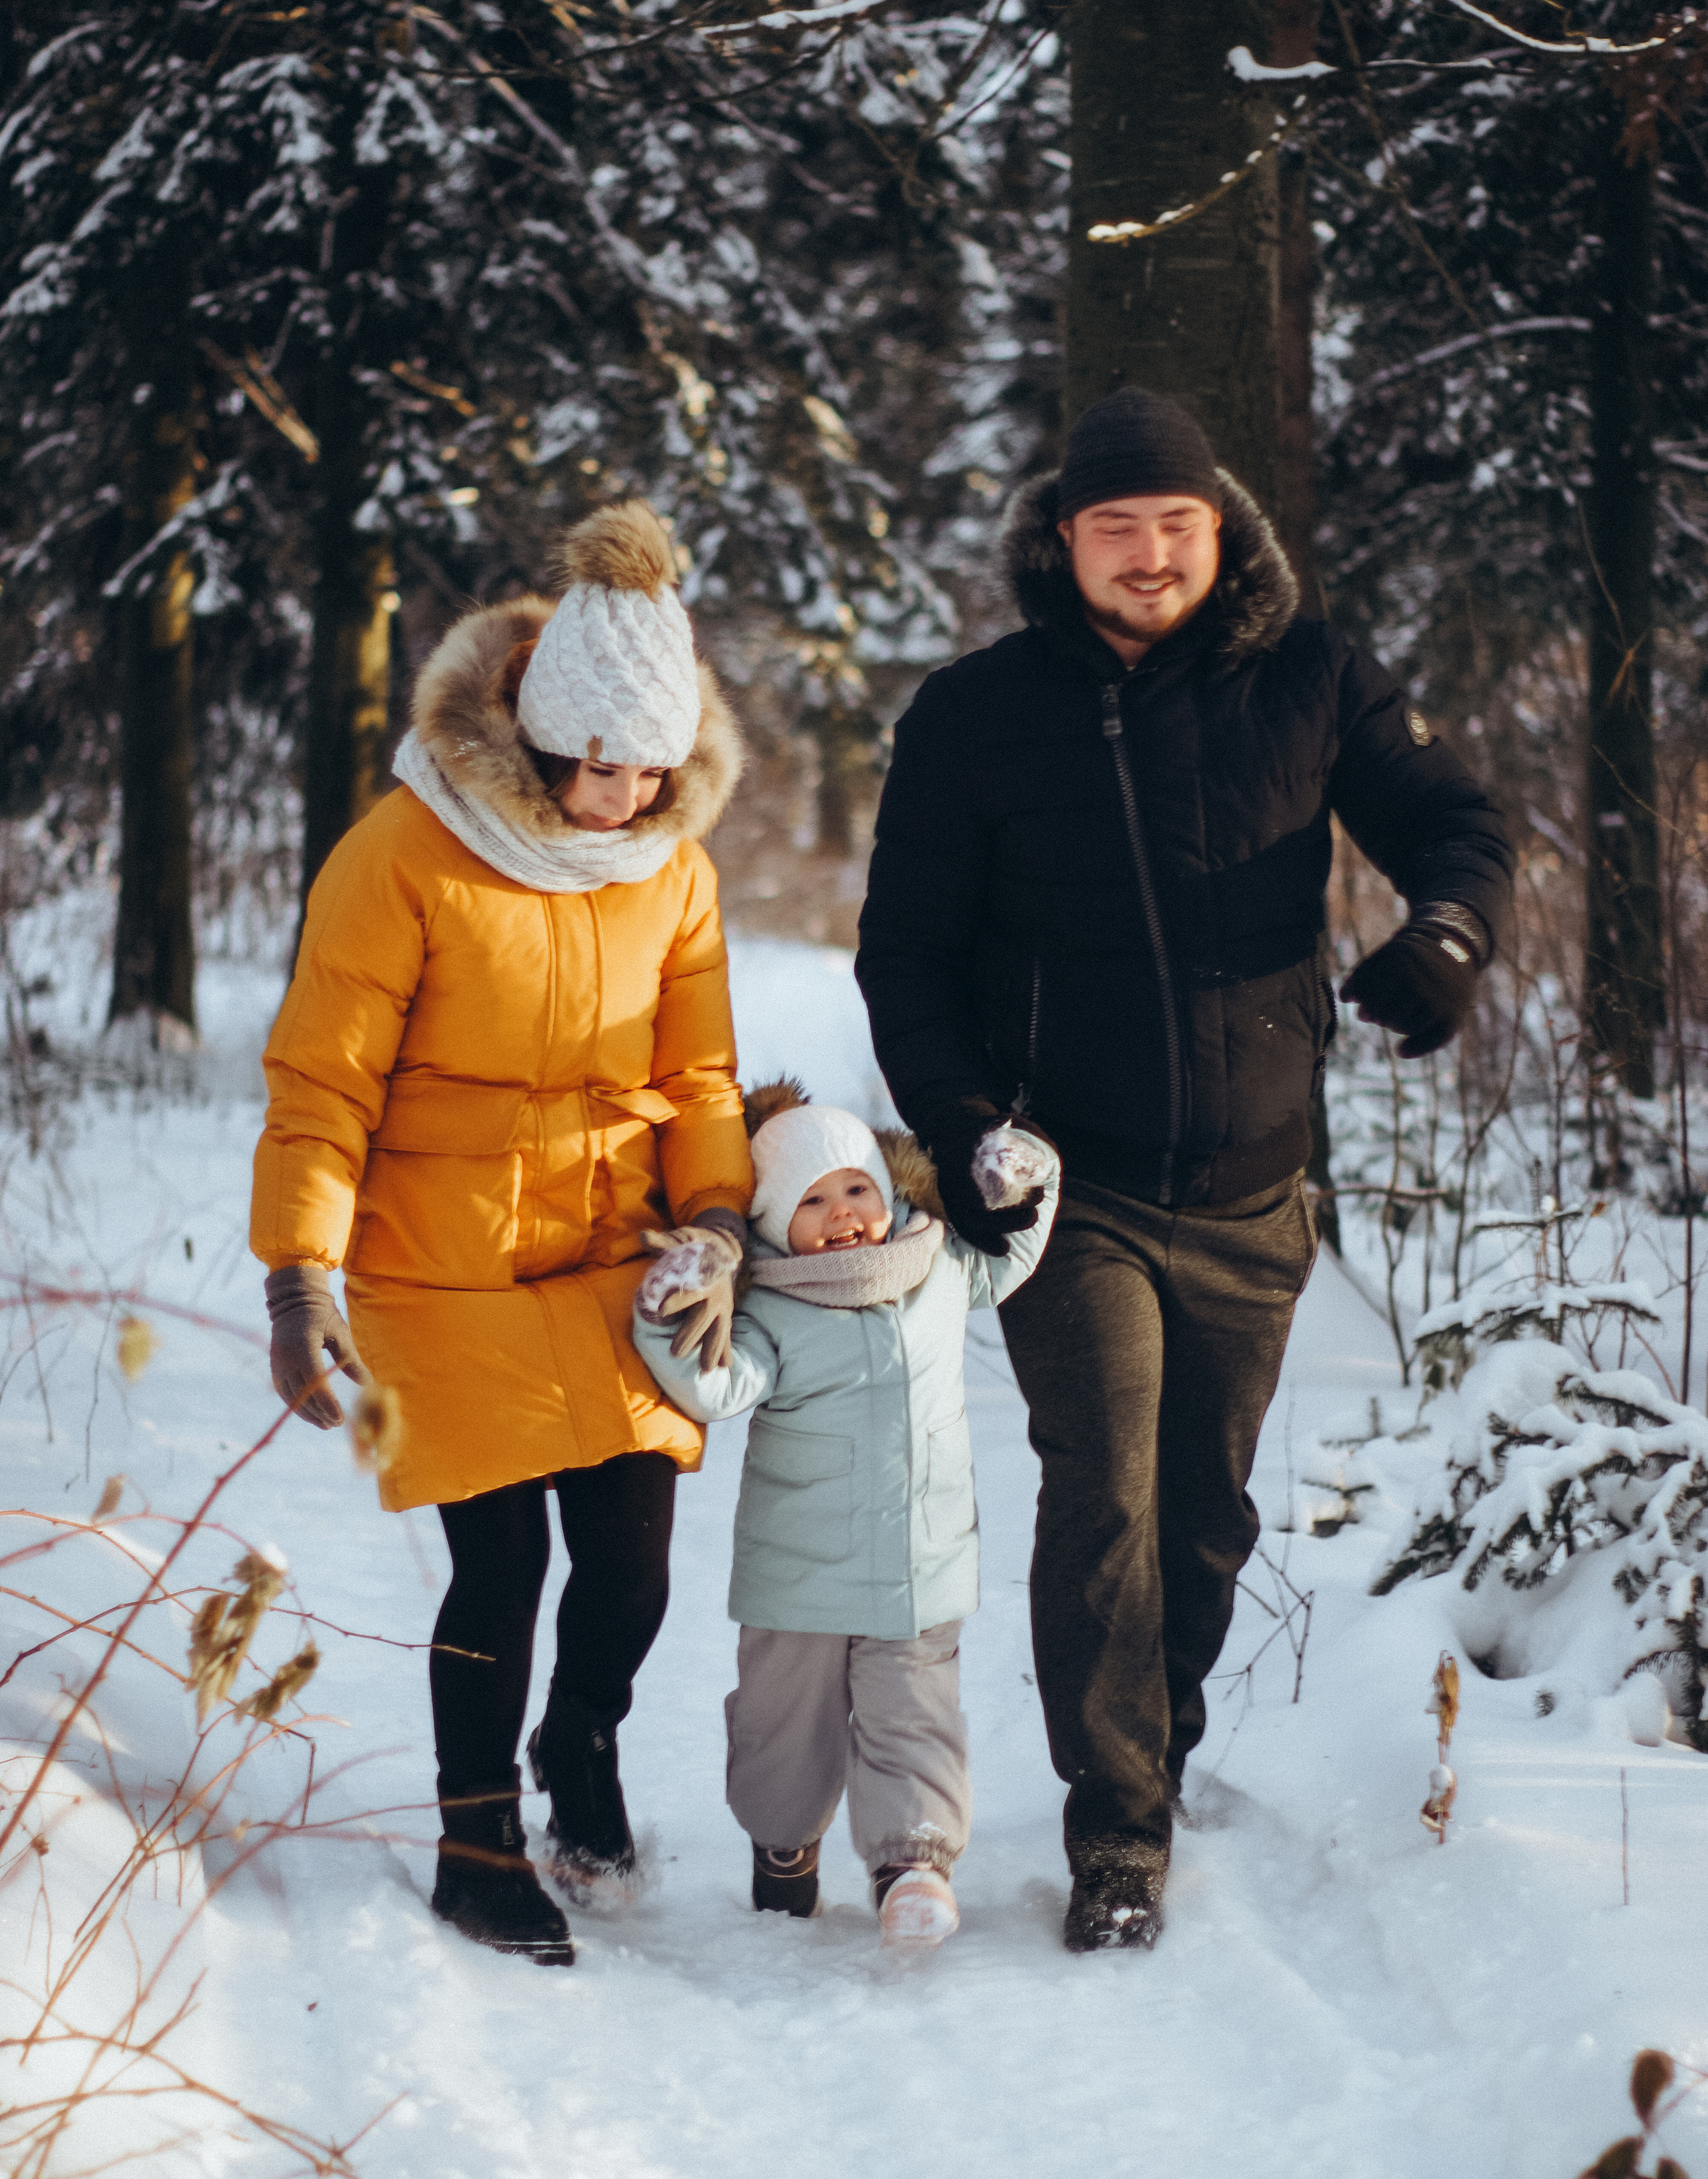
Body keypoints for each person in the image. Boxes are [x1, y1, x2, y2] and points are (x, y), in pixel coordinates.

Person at [855, 388, 1513, 1953]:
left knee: (1202, 1513)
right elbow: (905, 955)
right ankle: (1117, 1835)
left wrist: (1446, 935)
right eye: (1116, 526)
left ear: (1219, 528)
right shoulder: (973, 713)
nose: (1148, 554)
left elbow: (1454, 821)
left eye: (1175, 523)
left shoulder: (1310, 678)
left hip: (1251, 1188)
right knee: (1104, 1495)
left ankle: (1152, 1739)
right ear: (1061, 538)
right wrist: (961, 1126)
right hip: (1062, 1185)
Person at [251, 500, 754, 1968]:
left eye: (652, 771)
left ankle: (578, 1741)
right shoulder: (404, 853)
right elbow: (324, 1082)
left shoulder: (673, 868)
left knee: (633, 1564)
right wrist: (300, 1274)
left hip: (609, 1259)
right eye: (600, 765)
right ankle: (476, 1848)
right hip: (440, 1261)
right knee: (502, 1567)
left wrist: (718, 1222)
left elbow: (700, 1080)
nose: (624, 797)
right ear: (537, 738)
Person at [631, 1083, 1059, 1947]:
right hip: (799, 1575)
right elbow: (715, 1385)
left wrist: (1027, 1171)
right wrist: (664, 1311)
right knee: (784, 1731)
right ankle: (784, 1847)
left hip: (921, 1559)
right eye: (812, 1202)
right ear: (770, 1223)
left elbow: (1014, 1247)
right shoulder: (769, 1307)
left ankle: (912, 1866)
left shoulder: (941, 1262)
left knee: (914, 1713)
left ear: (888, 1189)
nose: (842, 1215)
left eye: (857, 1189)